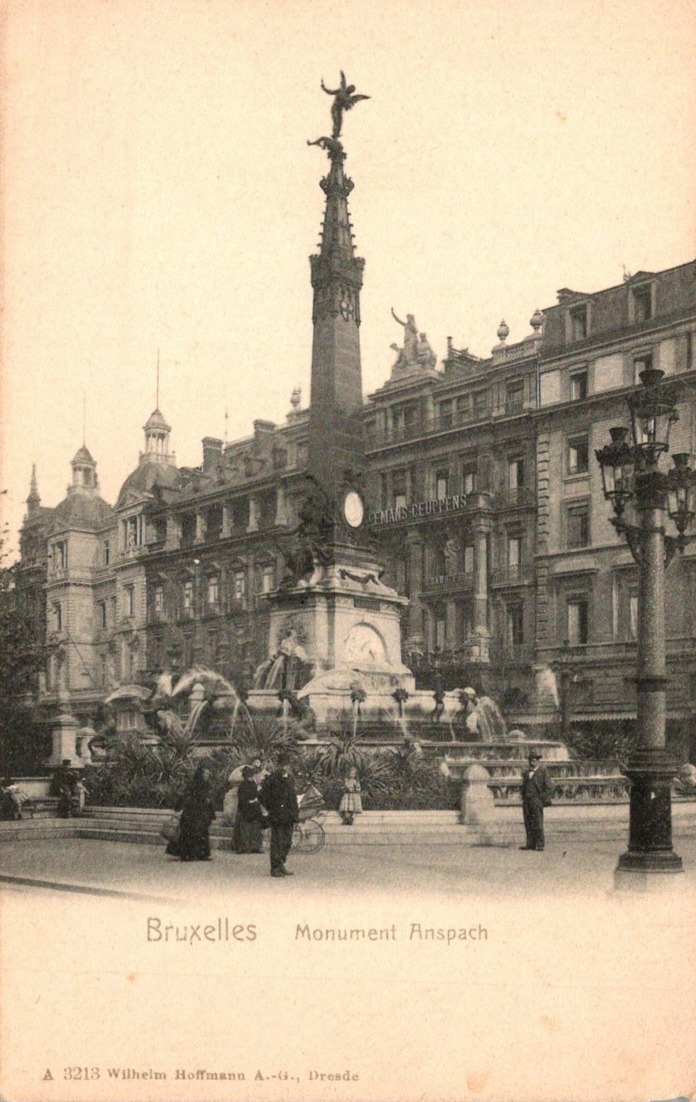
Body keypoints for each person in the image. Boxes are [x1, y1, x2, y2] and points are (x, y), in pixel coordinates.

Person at [167, 763, 216, 862]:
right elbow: (185, 796)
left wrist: (211, 812)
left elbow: (209, 799)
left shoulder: (207, 785)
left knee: (201, 833)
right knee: (190, 833)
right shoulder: (193, 784)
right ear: (200, 774)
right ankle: (187, 854)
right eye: (205, 773)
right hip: (191, 812)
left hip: (201, 813)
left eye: (208, 774)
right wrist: (178, 807)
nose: (207, 775)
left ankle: (201, 854)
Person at [260, 754, 299, 878]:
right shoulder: (272, 779)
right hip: (277, 816)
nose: (284, 768)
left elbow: (293, 798)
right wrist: (272, 808)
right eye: (281, 765)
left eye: (286, 765)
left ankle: (281, 863)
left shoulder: (290, 779)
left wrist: (295, 815)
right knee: (277, 842)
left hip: (289, 816)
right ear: (278, 766)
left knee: (287, 842)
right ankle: (275, 868)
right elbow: (262, 796)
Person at [520, 751, 554, 851]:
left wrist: (541, 798)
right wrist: (523, 797)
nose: (532, 762)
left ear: (537, 761)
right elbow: (524, 786)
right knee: (528, 822)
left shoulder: (543, 771)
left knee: (538, 822)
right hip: (527, 801)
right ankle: (530, 844)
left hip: (537, 800)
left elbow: (549, 786)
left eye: (534, 760)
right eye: (530, 760)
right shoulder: (526, 773)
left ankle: (540, 844)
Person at [233, 766, 265, 854]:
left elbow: (257, 795)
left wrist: (257, 798)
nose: (251, 777)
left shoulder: (254, 785)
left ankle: (255, 846)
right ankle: (244, 847)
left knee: (255, 828)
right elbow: (242, 798)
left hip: (254, 809)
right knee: (245, 829)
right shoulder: (243, 786)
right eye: (250, 776)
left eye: (252, 775)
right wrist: (250, 801)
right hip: (245, 809)